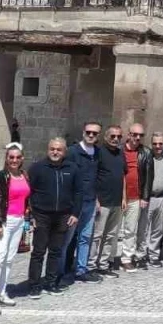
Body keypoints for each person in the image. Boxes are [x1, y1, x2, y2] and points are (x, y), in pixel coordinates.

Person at [25, 137, 80, 297]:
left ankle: (50, 282)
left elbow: (78, 192)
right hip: (41, 215)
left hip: (63, 215)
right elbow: (29, 192)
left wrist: (75, 213)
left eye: (59, 149)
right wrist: (31, 215)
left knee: (56, 251)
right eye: (52, 149)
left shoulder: (72, 168)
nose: (55, 152)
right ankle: (34, 285)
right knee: (38, 251)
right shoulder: (37, 168)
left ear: (65, 152)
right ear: (48, 150)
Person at [0, 143, 29, 315]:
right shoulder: (1, 176)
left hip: (19, 220)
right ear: (6, 158)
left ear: (22, 159)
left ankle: (2, 292)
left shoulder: (24, 175)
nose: (14, 160)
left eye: (18, 157)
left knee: (10, 258)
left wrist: (27, 216)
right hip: (5, 221)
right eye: (11, 157)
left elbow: (26, 198)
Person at [63, 122, 101, 284]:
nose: (91, 135)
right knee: (67, 239)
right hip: (74, 203)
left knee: (85, 237)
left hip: (90, 201)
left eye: (95, 133)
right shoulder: (72, 152)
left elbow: (97, 177)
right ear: (83, 132)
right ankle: (61, 271)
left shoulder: (97, 152)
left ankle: (81, 269)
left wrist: (97, 198)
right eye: (88, 132)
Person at [90, 125, 127, 278]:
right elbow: (93, 177)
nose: (116, 139)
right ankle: (91, 266)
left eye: (119, 136)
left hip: (116, 202)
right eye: (112, 136)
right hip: (102, 202)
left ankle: (103, 265)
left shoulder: (120, 153)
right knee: (96, 236)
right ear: (106, 137)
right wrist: (96, 199)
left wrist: (124, 197)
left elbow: (123, 176)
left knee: (110, 236)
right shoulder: (99, 153)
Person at [117, 123, 149, 271]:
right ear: (129, 134)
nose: (137, 137)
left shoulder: (145, 152)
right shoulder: (118, 150)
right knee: (114, 231)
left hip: (135, 196)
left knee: (130, 230)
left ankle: (126, 258)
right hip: (117, 196)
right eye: (134, 134)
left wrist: (145, 197)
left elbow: (148, 176)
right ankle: (109, 259)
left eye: (141, 135)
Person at [136, 132, 163, 268]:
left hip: (162, 198)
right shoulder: (146, 157)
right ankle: (140, 255)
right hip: (148, 198)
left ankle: (154, 255)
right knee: (143, 229)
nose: (157, 146)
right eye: (155, 144)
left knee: (158, 230)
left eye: (160, 143)